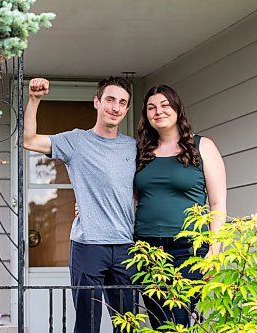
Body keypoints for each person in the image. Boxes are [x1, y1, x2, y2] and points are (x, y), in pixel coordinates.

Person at [23, 77, 137, 333]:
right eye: (109, 100)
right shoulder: (76, 141)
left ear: (127, 109)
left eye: (122, 103)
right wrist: (34, 100)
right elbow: (29, 140)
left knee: (127, 326)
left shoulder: (133, 148)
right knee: (87, 325)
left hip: (125, 248)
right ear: (96, 102)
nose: (115, 107)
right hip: (88, 247)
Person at [134, 84, 227, 328]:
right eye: (151, 107)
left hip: (188, 248)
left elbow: (217, 203)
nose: (159, 111)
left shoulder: (202, 146)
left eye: (165, 105)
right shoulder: (141, 152)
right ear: (146, 114)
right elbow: (126, 196)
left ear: (177, 109)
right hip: (146, 247)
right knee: (158, 320)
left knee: (180, 319)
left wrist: (214, 249)